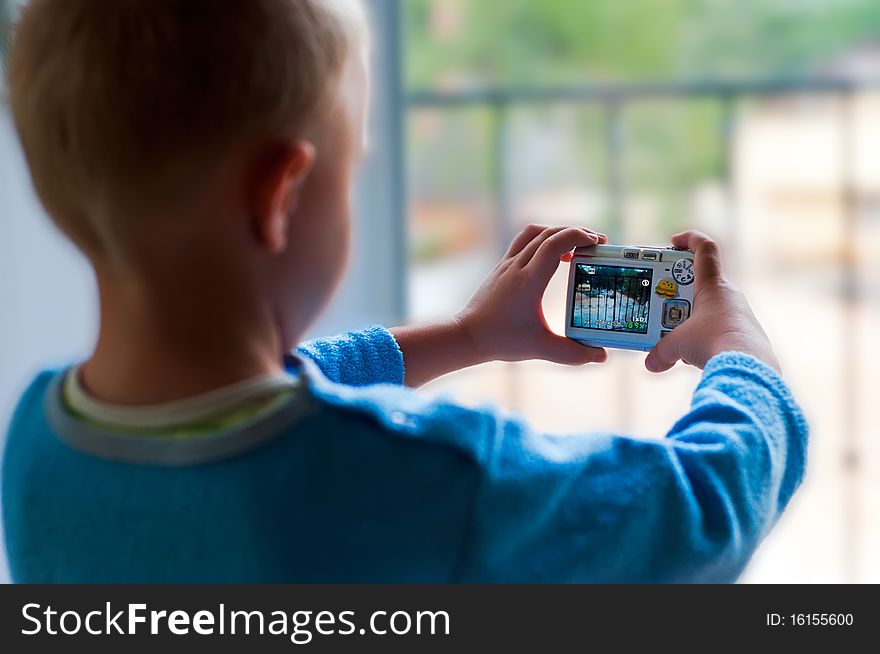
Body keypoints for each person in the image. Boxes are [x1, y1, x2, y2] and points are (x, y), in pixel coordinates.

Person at [2, 0, 806, 583]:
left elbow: (256, 397)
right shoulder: (433, 477)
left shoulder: (37, 442)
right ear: (278, 197)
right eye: (352, 175)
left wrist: (466, 338)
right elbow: (702, 512)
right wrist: (737, 350)